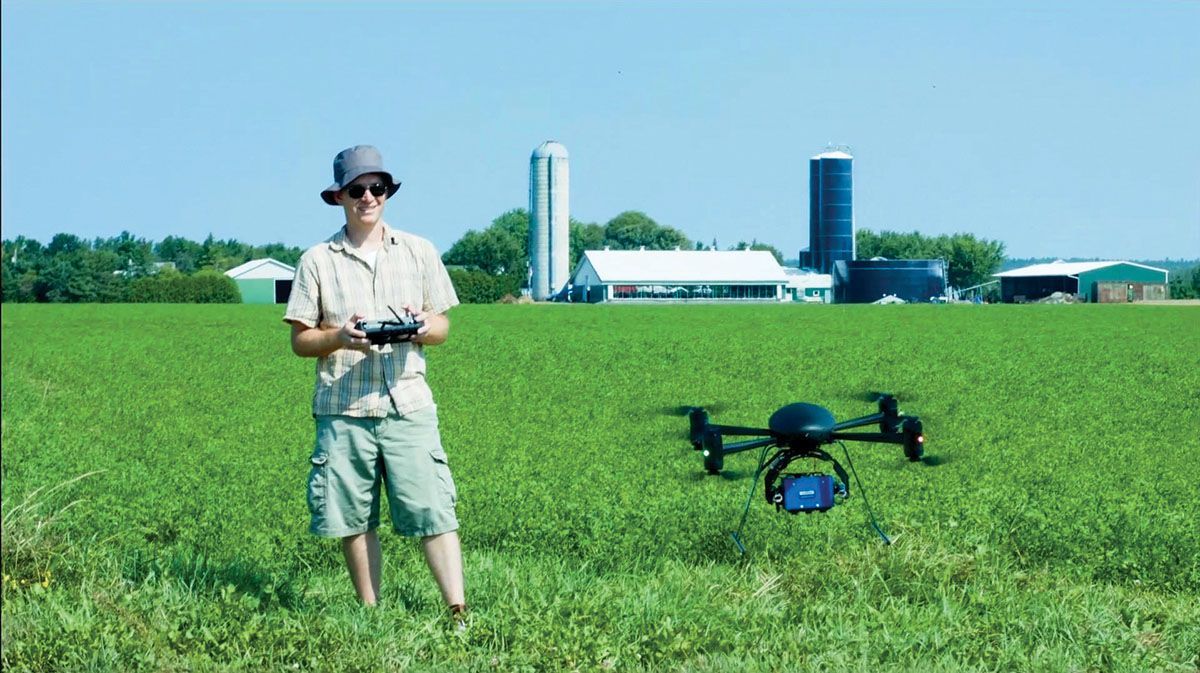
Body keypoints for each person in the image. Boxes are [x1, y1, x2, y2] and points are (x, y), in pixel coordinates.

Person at [284, 145, 465, 621]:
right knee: (353, 517)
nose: (368, 197)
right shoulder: (317, 260)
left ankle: (458, 610)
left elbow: (444, 327)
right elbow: (301, 342)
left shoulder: (419, 250)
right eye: (358, 190)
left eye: (377, 188)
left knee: (434, 510)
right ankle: (371, 613)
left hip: (408, 401)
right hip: (344, 407)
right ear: (339, 197)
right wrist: (341, 336)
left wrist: (425, 326)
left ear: (388, 192)